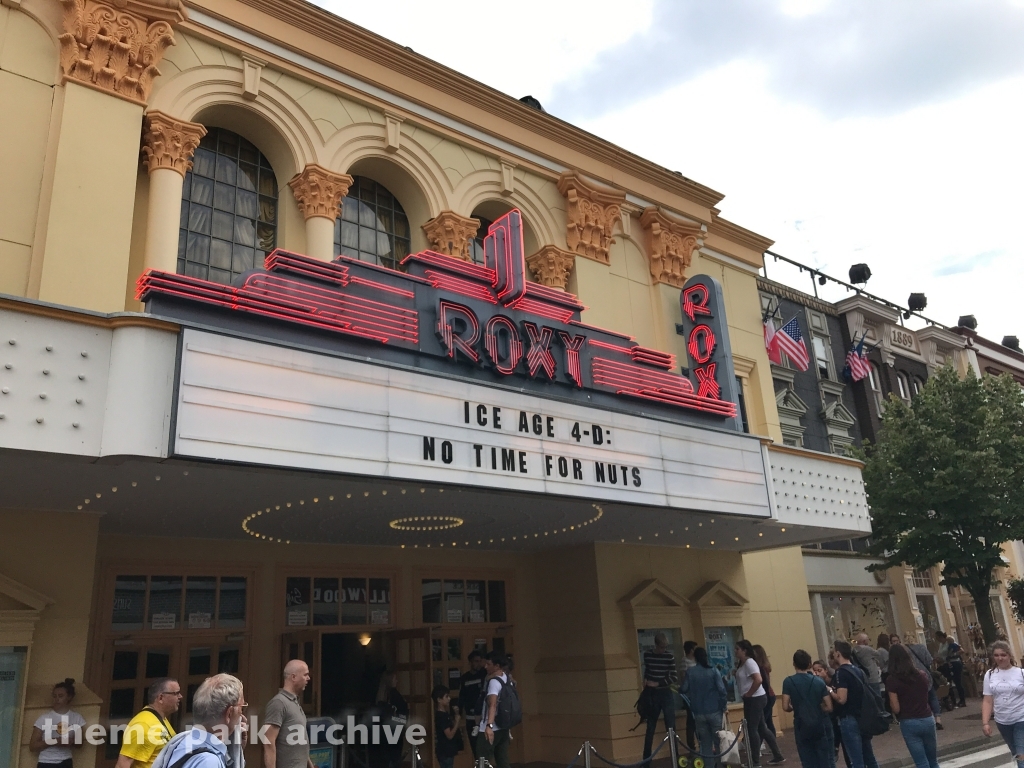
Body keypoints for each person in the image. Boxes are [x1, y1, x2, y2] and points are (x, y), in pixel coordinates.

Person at [152, 674, 247, 768]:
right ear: (229, 713)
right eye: (241, 708)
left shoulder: (180, 743)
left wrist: (236, 750)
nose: (242, 716)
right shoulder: (209, 761)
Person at [886, 645, 938, 768]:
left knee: (921, 762)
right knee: (933, 760)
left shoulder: (892, 680)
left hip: (909, 721)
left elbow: (896, 708)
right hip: (927, 718)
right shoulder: (922, 675)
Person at [735, 639, 785, 766]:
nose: (735, 651)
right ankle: (777, 755)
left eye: (737, 649)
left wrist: (749, 694)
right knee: (762, 727)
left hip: (755, 699)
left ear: (744, 650)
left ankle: (755, 761)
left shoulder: (749, 663)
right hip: (753, 698)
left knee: (752, 729)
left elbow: (758, 679)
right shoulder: (742, 663)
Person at [829, 641, 877, 768]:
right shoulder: (858, 670)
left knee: (856, 759)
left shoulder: (841, 672)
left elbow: (841, 699)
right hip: (863, 716)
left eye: (834, 652)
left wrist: (829, 690)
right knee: (869, 756)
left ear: (838, 654)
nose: (833, 655)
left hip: (849, 718)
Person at [781, 650, 833, 768]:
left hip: (801, 724)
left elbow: (785, 706)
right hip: (818, 723)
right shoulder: (819, 682)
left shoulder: (788, 682)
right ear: (809, 664)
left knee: (807, 759)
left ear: (794, 664)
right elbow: (829, 706)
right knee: (824, 759)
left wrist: (793, 708)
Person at [115, 678, 181, 768]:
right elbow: (122, 765)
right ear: (161, 697)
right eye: (176, 693)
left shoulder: (160, 719)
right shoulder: (142, 725)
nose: (180, 696)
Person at [681, 648, 727, 768]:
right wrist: (723, 706)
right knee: (718, 743)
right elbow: (722, 690)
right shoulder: (713, 671)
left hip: (698, 712)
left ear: (695, 658)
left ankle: (709, 766)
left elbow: (684, 688)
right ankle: (720, 765)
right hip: (714, 711)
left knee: (705, 743)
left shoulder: (690, 672)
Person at [263, 660, 315, 768]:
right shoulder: (279, 703)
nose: (308, 678)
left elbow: (300, 743)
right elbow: (268, 741)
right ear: (293, 677)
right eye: (305, 675)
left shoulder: (294, 703)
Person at [982, 640, 1024, 768]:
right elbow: (988, 700)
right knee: (1016, 752)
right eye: (996, 655)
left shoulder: (1020, 673)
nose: (1000, 658)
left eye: (1003, 655)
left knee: (1021, 755)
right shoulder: (990, 675)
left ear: (1010, 655)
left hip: (1021, 718)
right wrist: (985, 722)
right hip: (1003, 721)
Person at [30, 679, 87, 768]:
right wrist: (55, 741)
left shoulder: (77, 718)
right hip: (46, 762)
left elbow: (79, 744)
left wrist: (71, 741)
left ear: (69, 697)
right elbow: (33, 746)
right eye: (54, 696)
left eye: (60, 696)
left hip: (66, 761)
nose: (57, 699)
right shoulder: (44, 718)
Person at [641, 632, 678, 761]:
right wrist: (645, 680)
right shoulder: (648, 655)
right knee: (650, 727)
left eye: (665, 647)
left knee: (671, 726)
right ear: (656, 645)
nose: (664, 650)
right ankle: (646, 760)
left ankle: (675, 757)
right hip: (652, 694)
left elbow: (674, 677)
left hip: (665, 692)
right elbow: (648, 670)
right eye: (662, 647)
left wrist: (657, 683)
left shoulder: (669, 657)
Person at [478, 651, 514, 768]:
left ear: (497, 666)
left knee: (483, 761)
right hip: (504, 726)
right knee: (503, 760)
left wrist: (489, 726)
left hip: (491, 727)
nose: (485, 666)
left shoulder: (494, 682)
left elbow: (492, 704)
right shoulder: (507, 679)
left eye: (488, 664)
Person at [902, 633, 943, 730]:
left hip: (911, 677)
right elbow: (929, 660)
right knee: (932, 697)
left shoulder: (904, 650)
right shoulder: (921, 647)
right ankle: (938, 719)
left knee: (919, 698)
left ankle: (924, 719)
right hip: (925, 675)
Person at [813, 660, 847, 768]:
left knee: (847, 749)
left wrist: (830, 691)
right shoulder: (816, 684)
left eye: (819, 670)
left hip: (840, 717)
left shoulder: (833, 681)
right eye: (814, 671)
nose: (817, 673)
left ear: (826, 670)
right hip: (830, 720)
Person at [377, 671, 409, 768]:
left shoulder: (381, 695)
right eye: (395, 679)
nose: (397, 681)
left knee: (388, 758)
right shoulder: (394, 694)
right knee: (395, 758)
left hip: (384, 731)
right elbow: (402, 709)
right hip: (395, 730)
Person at [459, 650, 487, 759]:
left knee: (484, 748)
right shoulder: (465, 678)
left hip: (483, 717)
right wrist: (458, 713)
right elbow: (461, 696)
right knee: (475, 747)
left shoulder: (484, 675)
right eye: (476, 661)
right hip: (470, 718)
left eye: (480, 661)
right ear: (470, 662)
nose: (478, 664)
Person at [432, 685, 462, 768]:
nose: (449, 699)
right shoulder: (441, 716)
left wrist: (456, 714)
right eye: (446, 696)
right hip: (445, 751)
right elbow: (449, 735)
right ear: (439, 700)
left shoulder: (444, 714)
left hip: (447, 750)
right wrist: (457, 722)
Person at [934, 632, 967, 709]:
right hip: (945, 665)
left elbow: (961, 650)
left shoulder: (949, 641)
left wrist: (952, 655)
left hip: (954, 663)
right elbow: (942, 655)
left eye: (937, 637)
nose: (936, 639)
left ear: (940, 637)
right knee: (948, 682)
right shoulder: (941, 645)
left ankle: (962, 700)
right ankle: (952, 701)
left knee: (957, 682)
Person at [752, 645, 779, 737]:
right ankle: (773, 744)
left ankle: (761, 743)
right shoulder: (764, 667)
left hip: (766, 696)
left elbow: (763, 683)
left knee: (763, 722)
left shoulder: (760, 668)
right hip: (770, 695)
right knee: (768, 721)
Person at [682, 641, 699, 750]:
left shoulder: (698, 661)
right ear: (691, 650)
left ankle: (701, 743)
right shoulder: (684, 661)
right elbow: (683, 678)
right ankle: (691, 745)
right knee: (691, 721)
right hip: (689, 695)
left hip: (699, 695)